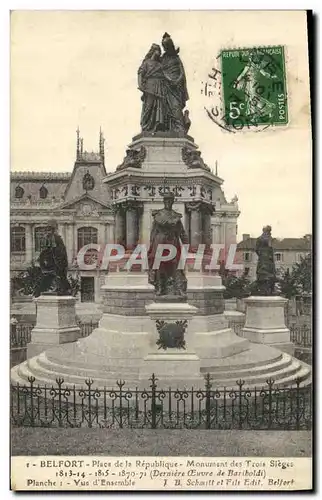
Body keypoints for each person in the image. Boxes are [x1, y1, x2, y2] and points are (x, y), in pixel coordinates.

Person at [148, 192, 188, 298]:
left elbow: (181, 232)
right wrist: (151, 246)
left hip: (173, 241)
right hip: (160, 241)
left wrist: (187, 244)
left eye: (170, 200)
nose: (168, 202)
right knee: (159, 265)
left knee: (176, 265)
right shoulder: (158, 215)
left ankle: (178, 288)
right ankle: (160, 288)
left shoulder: (176, 216)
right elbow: (153, 231)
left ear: (173, 201)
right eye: (166, 200)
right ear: (164, 201)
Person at [161, 33, 189, 133]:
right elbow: (160, 70)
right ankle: (168, 128)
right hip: (166, 87)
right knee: (165, 108)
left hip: (176, 87)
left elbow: (182, 72)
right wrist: (168, 78)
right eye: (164, 46)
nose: (165, 48)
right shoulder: (163, 58)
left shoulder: (176, 58)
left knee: (175, 106)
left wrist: (177, 81)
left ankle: (180, 127)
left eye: (166, 46)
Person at [37, 220, 71, 296]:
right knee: (49, 274)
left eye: (49, 230)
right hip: (50, 260)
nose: (47, 232)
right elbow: (44, 249)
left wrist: (55, 255)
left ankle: (61, 288)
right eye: (47, 230)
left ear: (53, 230)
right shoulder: (47, 238)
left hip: (57, 260)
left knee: (58, 274)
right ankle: (55, 287)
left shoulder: (56, 238)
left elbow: (60, 249)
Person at [138, 44, 166, 132]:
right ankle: (145, 125)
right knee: (148, 106)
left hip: (159, 86)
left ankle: (156, 126)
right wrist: (141, 85)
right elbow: (140, 73)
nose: (160, 53)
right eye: (158, 51)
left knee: (158, 106)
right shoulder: (146, 62)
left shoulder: (160, 64)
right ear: (154, 51)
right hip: (150, 86)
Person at [255, 225, 276, 295]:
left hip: (267, 259)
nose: (269, 233)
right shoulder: (264, 239)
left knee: (267, 274)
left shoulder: (268, 238)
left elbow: (256, 249)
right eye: (268, 231)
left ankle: (268, 289)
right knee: (265, 274)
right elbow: (256, 249)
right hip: (265, 259)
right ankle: (266, 290)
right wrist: (263, 254)